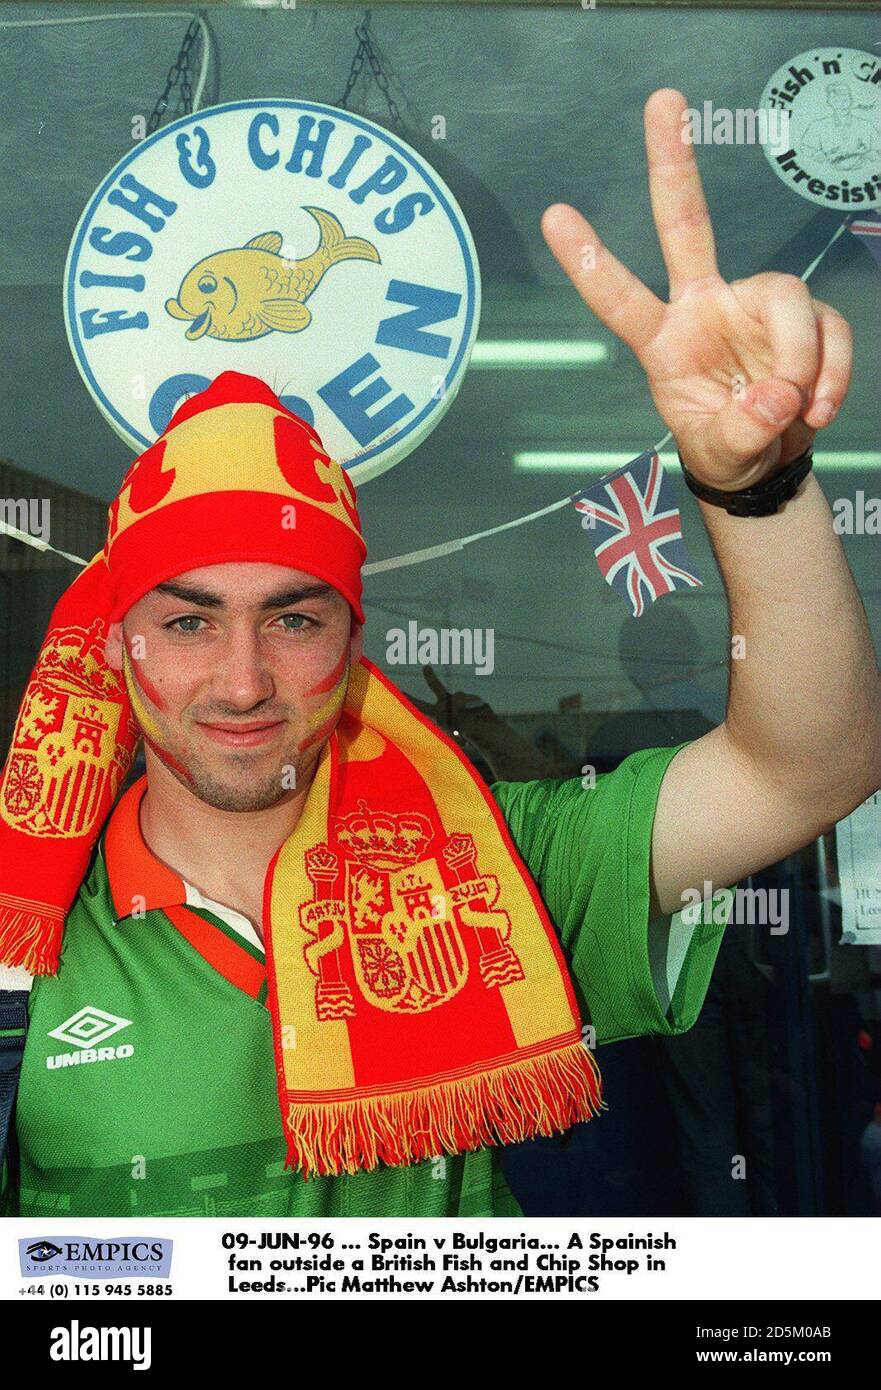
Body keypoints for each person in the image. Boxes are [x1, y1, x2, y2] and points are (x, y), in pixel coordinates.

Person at [1, 88, 879, 1218]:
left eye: (294, 616)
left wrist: (752, 483)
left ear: (353, 641)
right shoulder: (28, 927)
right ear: (115, 648)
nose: (240, 678)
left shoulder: (495, 864)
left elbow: (806, 765)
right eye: (186, 620)